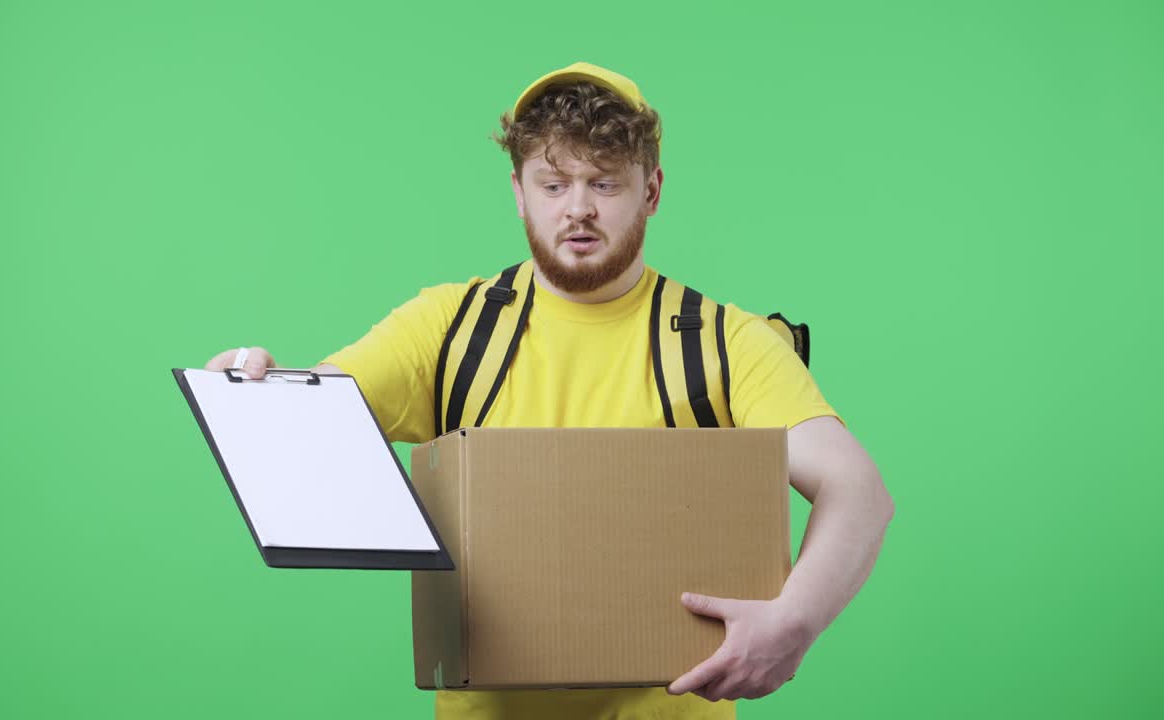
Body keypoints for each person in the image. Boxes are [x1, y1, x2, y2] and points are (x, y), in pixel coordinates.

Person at [206, 61, 894, 720]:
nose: (579, 210)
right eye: (554, 184)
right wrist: (256, 388)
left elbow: (858, 491)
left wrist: (792, 623)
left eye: (605, 183)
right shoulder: (450, 326)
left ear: (652, 191)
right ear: (518, 192)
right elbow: (313, 413)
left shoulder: (725, 341)